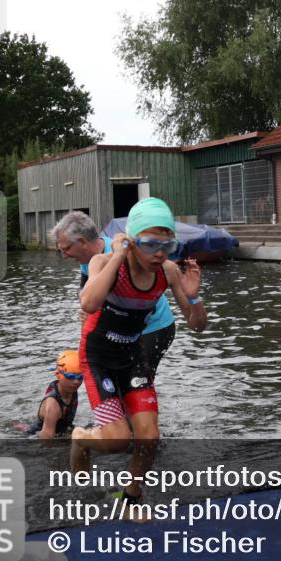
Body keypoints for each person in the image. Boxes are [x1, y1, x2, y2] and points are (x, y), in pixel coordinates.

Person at [70, 198, 206, 510]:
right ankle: (80, 438)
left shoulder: (168, 271)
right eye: (150, 244)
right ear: (131, 241)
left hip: (131, 356)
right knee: (118, 439)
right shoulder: (102, 263)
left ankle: (131, 498)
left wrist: (194, 298)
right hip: (98, 357)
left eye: (167, 245)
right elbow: (88, 304)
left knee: (149, 436)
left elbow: (197, 326)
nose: (159, 253)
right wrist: (117, 256)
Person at [52, 211, 179, 376]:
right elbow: (85, 294)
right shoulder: (87, 261)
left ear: (82, 242)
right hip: (125, 330)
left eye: (66, 249)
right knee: (118, 380)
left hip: (155, 326)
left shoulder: (118, 253)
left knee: (137, 380)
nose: (64, 256)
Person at [22, 350, 81, 439]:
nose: (76, 382)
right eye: (71, 376)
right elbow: (46, 440)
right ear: (58, 375)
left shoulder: (71, 389)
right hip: (33, 437)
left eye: (80, 377)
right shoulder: (54, 405)